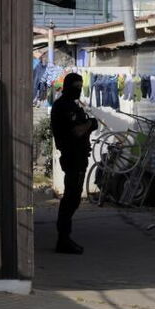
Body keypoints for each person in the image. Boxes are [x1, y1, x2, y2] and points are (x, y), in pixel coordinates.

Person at [50, 73, 98, 254]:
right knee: (71, 198)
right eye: (76, 86)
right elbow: (77, 131)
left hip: (77, 156)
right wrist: (90, 124)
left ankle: (64, 237)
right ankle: (63, 238)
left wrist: (88, 124)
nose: (78, 90)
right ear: (68, 86)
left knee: (73, 197)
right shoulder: (64, 106)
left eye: (80, 86)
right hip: (72, 156)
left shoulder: (71, 105)